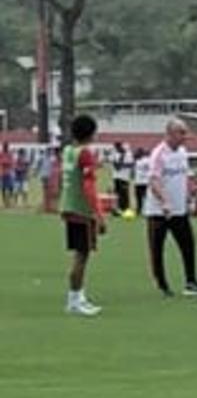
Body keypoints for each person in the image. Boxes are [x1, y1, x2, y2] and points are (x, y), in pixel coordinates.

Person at [145, 118, 197, 299]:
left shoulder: (182, 152)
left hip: (179, 210)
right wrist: (164, 201)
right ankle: (162, 285)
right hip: (159, 212)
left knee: (188, 245)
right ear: (171, 134)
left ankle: (191, 281)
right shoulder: (159, 154)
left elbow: (184, 177)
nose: (185, 137)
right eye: (181, 133)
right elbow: (154, 181)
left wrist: (192, 190)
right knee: (157, 249)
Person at [58, 115, 109, 317]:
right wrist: (98, 214)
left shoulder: (69, 151)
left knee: (80, 254)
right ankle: (74, 300)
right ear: (91, 133)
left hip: (69, 206)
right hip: (81, 209)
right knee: (82, 255)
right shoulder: (85, 153)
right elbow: (88, 185)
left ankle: (78, 297)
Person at [110, 141, 134, 214]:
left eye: (119, 147)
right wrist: (122, 163)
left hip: (124, 177)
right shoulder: (114, 154)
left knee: (124, 193)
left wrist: (122, 164)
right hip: (116, 176)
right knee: (117, 193)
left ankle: (125, 208)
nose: (117, 148)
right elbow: (116, 166)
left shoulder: (128, 154)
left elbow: (131, 164)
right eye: (116, 147)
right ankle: (117, 208)